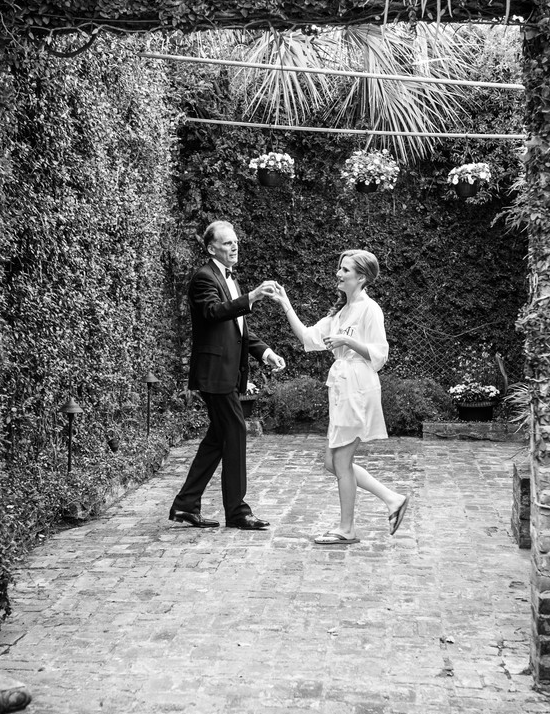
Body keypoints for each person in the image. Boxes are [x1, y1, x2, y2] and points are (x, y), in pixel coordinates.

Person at [270, 249, 409, 544]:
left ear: (361, 277)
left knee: (341, 462)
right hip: (342, 389)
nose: (339, 274)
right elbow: (309, 338)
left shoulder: (370, 310)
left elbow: (380, 355)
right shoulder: (340, 312)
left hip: (358, 387)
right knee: (331, 463)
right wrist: (286, 305)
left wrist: (347, 340)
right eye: (340, 269)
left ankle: (347, 529)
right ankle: (392, 498)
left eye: (345, 270)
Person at [169, 220, 285, 530]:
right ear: (211, 248)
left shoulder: (229, 280)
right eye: (226, 243)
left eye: (235, 242)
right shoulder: (203, 278)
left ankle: (186, 505)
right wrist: (252, 296)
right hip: (214, 373)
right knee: (235, 431)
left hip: (227, 373)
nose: (234, 247)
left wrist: (264, 351)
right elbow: (214, 313)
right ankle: (237, 510)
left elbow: (237, 328)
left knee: (217, 439)